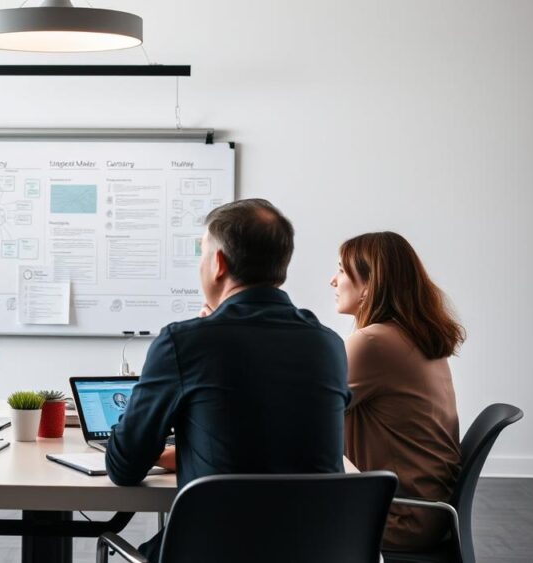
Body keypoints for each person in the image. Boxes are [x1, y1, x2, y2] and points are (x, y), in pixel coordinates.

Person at [105, 199, 350, 562]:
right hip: (316, 550)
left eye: (203, 253)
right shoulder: (329, 344)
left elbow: (124, 467)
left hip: (214, 550)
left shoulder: (183, 343)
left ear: (218, 264)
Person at [331, 231, 464, 550]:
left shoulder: (374, 343)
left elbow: (306, 409)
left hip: (398, 517)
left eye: (340, 269)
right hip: (425, 512)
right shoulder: (412, 335)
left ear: (369, 284)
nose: (332, 281)